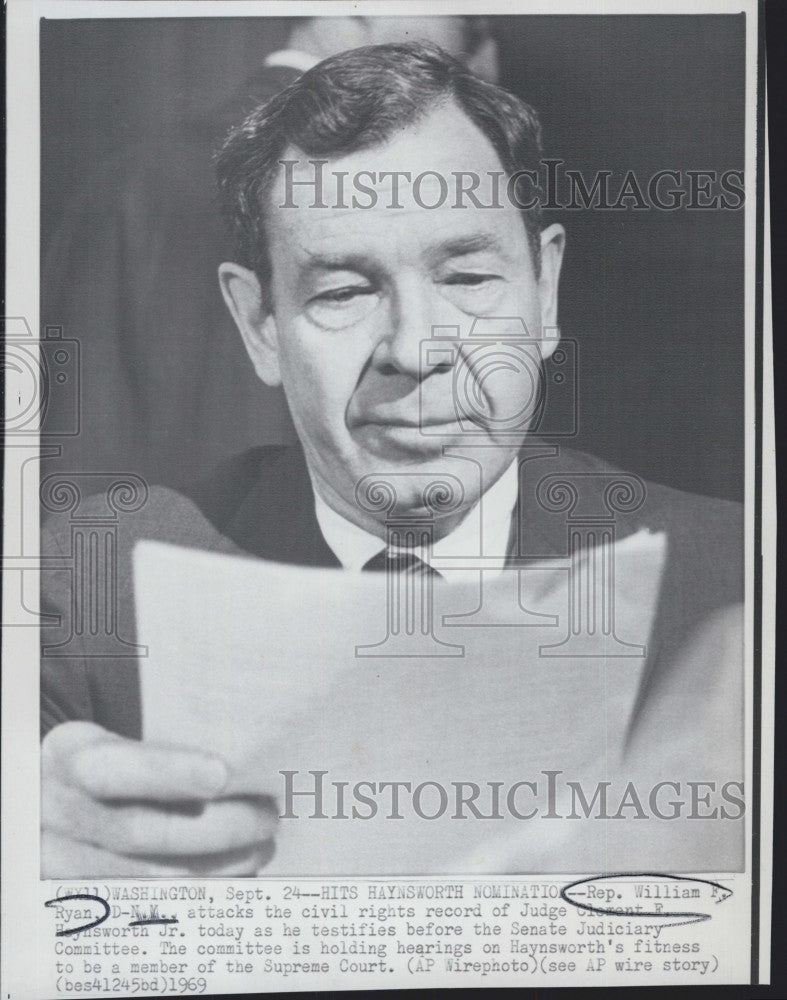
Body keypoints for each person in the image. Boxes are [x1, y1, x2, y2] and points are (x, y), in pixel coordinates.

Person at [40, 43, 743, 877]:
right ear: (258, 324)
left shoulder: (731, 585)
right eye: (342, 291)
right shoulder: (90, 588)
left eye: (469, 278)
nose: (416, 349)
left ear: (544, 292)